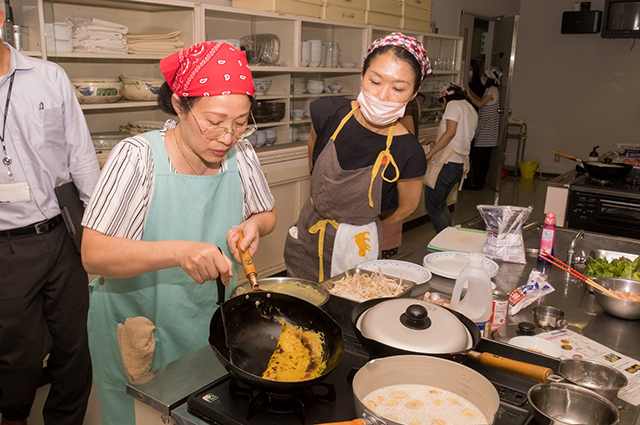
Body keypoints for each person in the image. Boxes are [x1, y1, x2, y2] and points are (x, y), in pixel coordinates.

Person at [80, 41, 276, 425]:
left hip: (208, 317)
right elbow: (93, 253)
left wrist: (253, 225)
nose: (227, 137)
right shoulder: (137, 157)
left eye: (240, 123)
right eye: (214, 121)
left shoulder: (242, 153)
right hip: (140, 323)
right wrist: (178, 253)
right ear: (180, 105)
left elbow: (266, 212)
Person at [0, 9, 99, 425]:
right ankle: (13, 416)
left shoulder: (48, 76)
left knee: (75, 346)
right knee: (16, 355)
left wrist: (99, 231)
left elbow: (80, 154)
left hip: (63, 233)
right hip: (6, 246)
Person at [284, 32, 430, 282]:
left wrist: (361, 223)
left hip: (357, 245)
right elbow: (314, 161)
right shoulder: (328, 113)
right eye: (375, 82)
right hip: (310, 231)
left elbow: (407, 206)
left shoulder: (408, 150)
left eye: (398, 88)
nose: (383, 96)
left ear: (414, 93)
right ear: (362, 76)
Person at [422, 83, 478, 233]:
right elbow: (459, 136)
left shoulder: (453, 105)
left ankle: (446, 244)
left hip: (446, 164)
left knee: (433, 207)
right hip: (458, 166)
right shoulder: (470, 108)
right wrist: (434, 138)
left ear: (445, 99)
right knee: (441, 205)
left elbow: (451, 132)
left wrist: (430, 153)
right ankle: (449, 238)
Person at [381, 93, 424, 259]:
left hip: (392, 170)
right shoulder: (413, 102)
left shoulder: (408, 105)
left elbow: (407, 138)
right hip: (392, 169)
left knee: (388, 223)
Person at [468, 66, 502, 189]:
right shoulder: (490, 90)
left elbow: (479, 103)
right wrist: (469, 92)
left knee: (480, 159)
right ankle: (478, 182)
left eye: (484, 75)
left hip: (487, 132)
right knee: (481, 158)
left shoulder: (492, 90)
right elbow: (480, 99)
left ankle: (478, 183)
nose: (482, 78)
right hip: (485, 131)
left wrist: (469, 95)